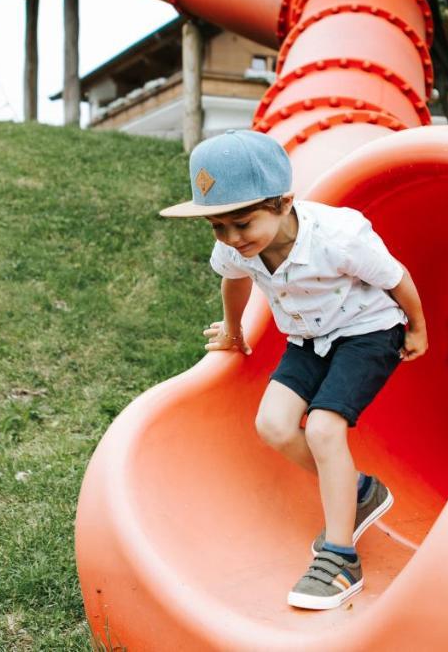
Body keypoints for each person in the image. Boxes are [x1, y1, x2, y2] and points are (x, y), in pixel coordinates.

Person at [161, 129, 427, 610]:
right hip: (309, 338)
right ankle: (360, 490)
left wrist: (418, 329)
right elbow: (233, 281)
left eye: (241, 223)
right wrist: (233, 329)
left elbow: (396, 277)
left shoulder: (339, 237)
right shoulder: (234, 247)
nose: (230, 238)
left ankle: (341, 555)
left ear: (283, 203)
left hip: (369, 331)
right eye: (217, 227)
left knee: (325, 429)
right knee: (273, 425)